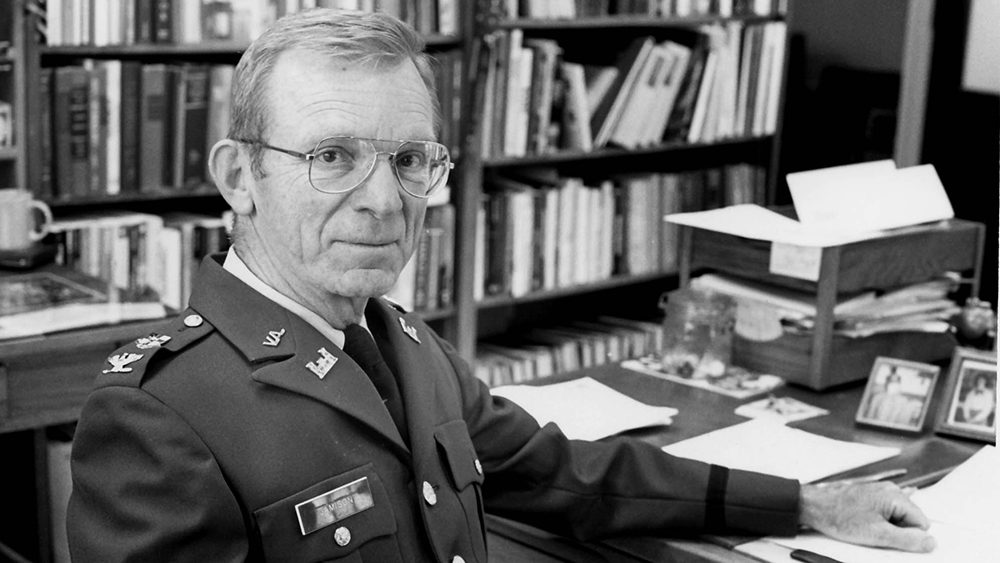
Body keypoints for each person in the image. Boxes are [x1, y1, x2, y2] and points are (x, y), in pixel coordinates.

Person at [67, 9, 937, 562]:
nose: (383, 199)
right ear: (238, 176)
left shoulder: (402, 345)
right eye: (332, 157)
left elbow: (568, 474)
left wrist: (804, 501)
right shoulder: (159, 414)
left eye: (410, 159)